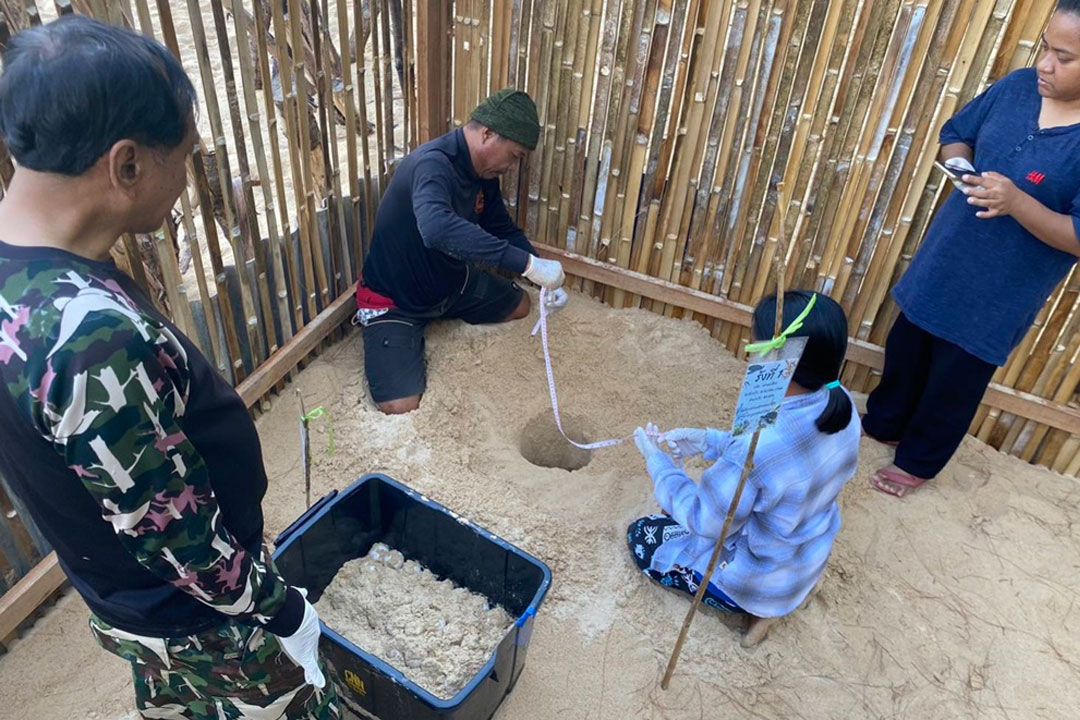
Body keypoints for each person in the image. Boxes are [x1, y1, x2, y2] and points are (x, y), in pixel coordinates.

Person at [0, 17, 337, 719]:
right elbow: (183, 544)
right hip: (196, 618)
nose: (186, 179)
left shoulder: (20, 275)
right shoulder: (87, 339)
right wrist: (281, 611)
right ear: (126, 165)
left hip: (121, 599)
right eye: (182, 156)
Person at [862, 1, 1080, 498]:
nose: (1045, 64)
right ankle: (883, 424)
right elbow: (956, 134)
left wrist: (1017, 202)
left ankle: (918, 462)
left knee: (954, 380)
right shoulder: (1017, 88)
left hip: (998, 293)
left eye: (1063, 57)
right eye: (1047, 47)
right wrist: (961, 166)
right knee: (906, 348)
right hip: (947, 259)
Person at [628, 291, 860, 646]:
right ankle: (775, 607)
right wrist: (708, 441)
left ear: (780, 355)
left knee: (643, 535)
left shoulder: (758, 449)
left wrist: (658, 464)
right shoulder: (840, 402)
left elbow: (705, 519)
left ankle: (754, 605)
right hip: (807, 556)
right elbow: (771, 460)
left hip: (759, 575)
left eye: (756, 344)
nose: (751, 350)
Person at [356, 88, 568, 414]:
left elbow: (501, 228)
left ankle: (447, 312)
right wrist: (524, 264)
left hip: (453, 283)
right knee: (399, 405)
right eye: (515, 156)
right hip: (396, 301)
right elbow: (436, 228)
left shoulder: (484, 175)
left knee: (522, 306)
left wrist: (540, 272)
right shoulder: (433, 165)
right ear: (487, 134)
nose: (513, 167)